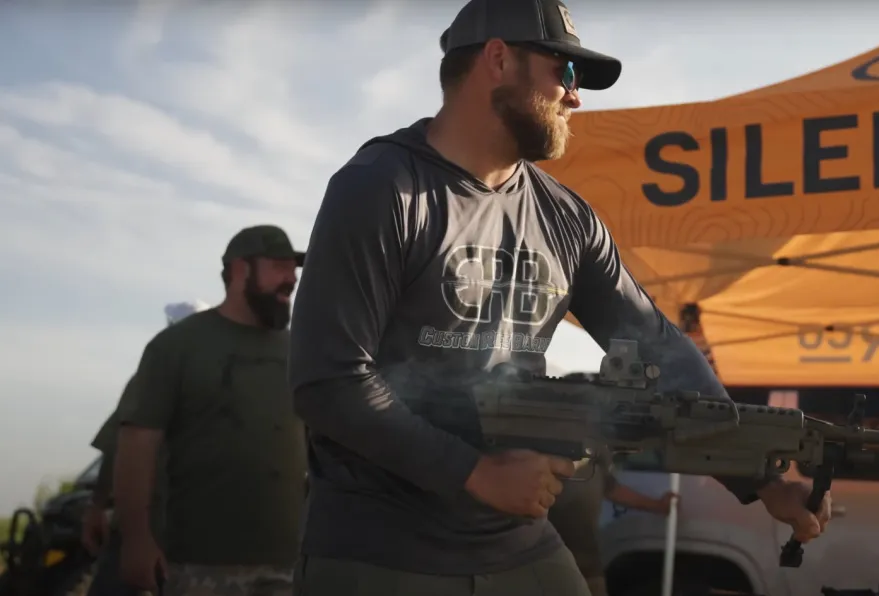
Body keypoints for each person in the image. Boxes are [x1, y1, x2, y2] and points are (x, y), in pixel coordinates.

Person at [286, 0, 834, 594]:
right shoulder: (383, 187)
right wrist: (474, 472)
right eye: (565, 72)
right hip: (380, 550)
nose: (576, 96)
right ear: (498, 59)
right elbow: (328, 381)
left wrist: (762, 476)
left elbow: (656, 343)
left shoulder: (567, 218)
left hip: (515, 539)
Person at [111, 226, 308, 596]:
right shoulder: (176, 347)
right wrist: (136, 540)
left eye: (293, 269)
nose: (291, 279)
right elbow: (137, 446)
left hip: (290, 564)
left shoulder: (301, 351)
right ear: (239, 271)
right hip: (200, 565)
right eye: (280, 266)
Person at [82, 301, 209, 596]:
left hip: (152, 524)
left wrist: (97, 506)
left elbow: (117, 447)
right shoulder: (228, 377)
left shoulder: (149, 378)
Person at [548, 451, 676, 596]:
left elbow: (611, 488)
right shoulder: (551, 443)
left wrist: (657, 505)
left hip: (588, 564)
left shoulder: (595, 449)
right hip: (547, 560)